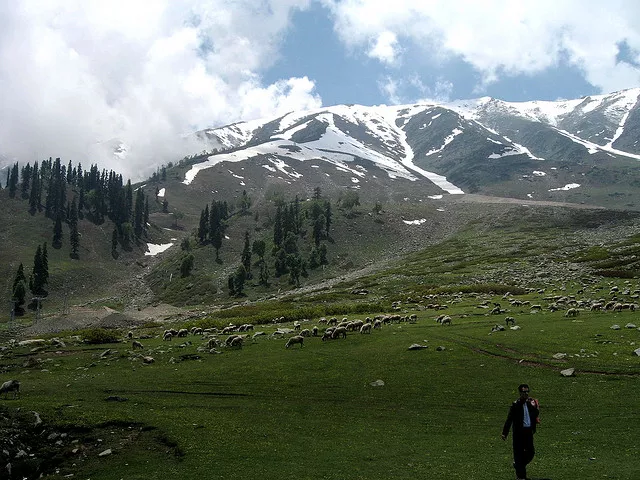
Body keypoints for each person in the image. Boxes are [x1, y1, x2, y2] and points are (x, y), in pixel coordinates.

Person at [501, 384, 540, 480]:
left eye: (527, 392)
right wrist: (505, 432)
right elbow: (509, 419)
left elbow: (535, 414)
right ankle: (521, 477)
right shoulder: (516, 405)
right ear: (520, 393)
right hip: (519, 433)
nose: (526, 394)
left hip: (528, 432)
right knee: (518, 454)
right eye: (524, 392)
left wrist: (536, 406)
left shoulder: (530, 403)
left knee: (531, 453)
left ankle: (518, 465)